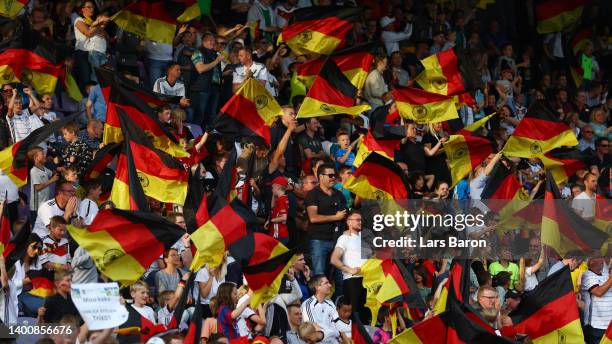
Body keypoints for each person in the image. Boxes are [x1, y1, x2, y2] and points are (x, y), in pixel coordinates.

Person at [305, 163, 347, 277]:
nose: (333, 177)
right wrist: (335, 217)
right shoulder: (313, 194)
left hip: (337, 241)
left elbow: (344, 215)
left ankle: (339, 295)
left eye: (334, 175)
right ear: (321, 177)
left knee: (340, 275)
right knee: (319, 275)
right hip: (319, 240)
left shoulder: (339, 195)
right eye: (330, 175)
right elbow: (313, 218)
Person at [330, 210, 368, 323]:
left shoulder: (364, 237)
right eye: (357, 220)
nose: (360, 222)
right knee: (355, 315)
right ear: (349, 222)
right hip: (352, 280)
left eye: (361, 220)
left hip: (368, 280)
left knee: (365, 314)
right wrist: (349, 269)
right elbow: (334, 259)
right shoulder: (344, 238)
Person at [190, 32, 225, 127]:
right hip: (202, 88)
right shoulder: (198, 52)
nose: (213, 42)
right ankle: (195, 137)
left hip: (214, 88)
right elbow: (200, 69)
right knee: (200, 115)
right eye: (210, 40)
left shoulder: (214, 54)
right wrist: (217, 61)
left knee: (211, 116)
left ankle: (207, 138)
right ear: (203, 42)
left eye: (214, 40)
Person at [301, 275, 341, 343]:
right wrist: (333, 333)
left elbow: (339, 325)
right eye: (326, 283)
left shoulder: (330, 303)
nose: (330, 285)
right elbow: (314, 330)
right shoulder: (307, 305)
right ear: (317, 287)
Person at [581, 257, 612, 344]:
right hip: (597, 325)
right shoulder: (587, 275)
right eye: (599, 258)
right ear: (591, 262)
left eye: (602, 258)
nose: (602, 260)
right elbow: (598, 292)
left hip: (609, 324)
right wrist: (611, 279)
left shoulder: (605, 274)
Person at [28, 147, 59, 223]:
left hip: (44, 204)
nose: (45, 155)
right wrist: (51, 180)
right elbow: (37, 187)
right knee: (36, 227)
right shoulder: (34, 171)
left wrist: (58, 167)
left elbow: (53, 173)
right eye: (42, 154)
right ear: (36, 157)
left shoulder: (44, 168)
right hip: (36, 207)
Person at [267, 176, 290, 245]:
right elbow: (272, 206)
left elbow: (284, 218)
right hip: (279, 234)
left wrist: (271, 221)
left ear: (278, 187)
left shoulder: (281, 200)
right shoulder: (282, 198)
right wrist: (274, 195)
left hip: (279, 235)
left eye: (272, 188)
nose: (272, 190)